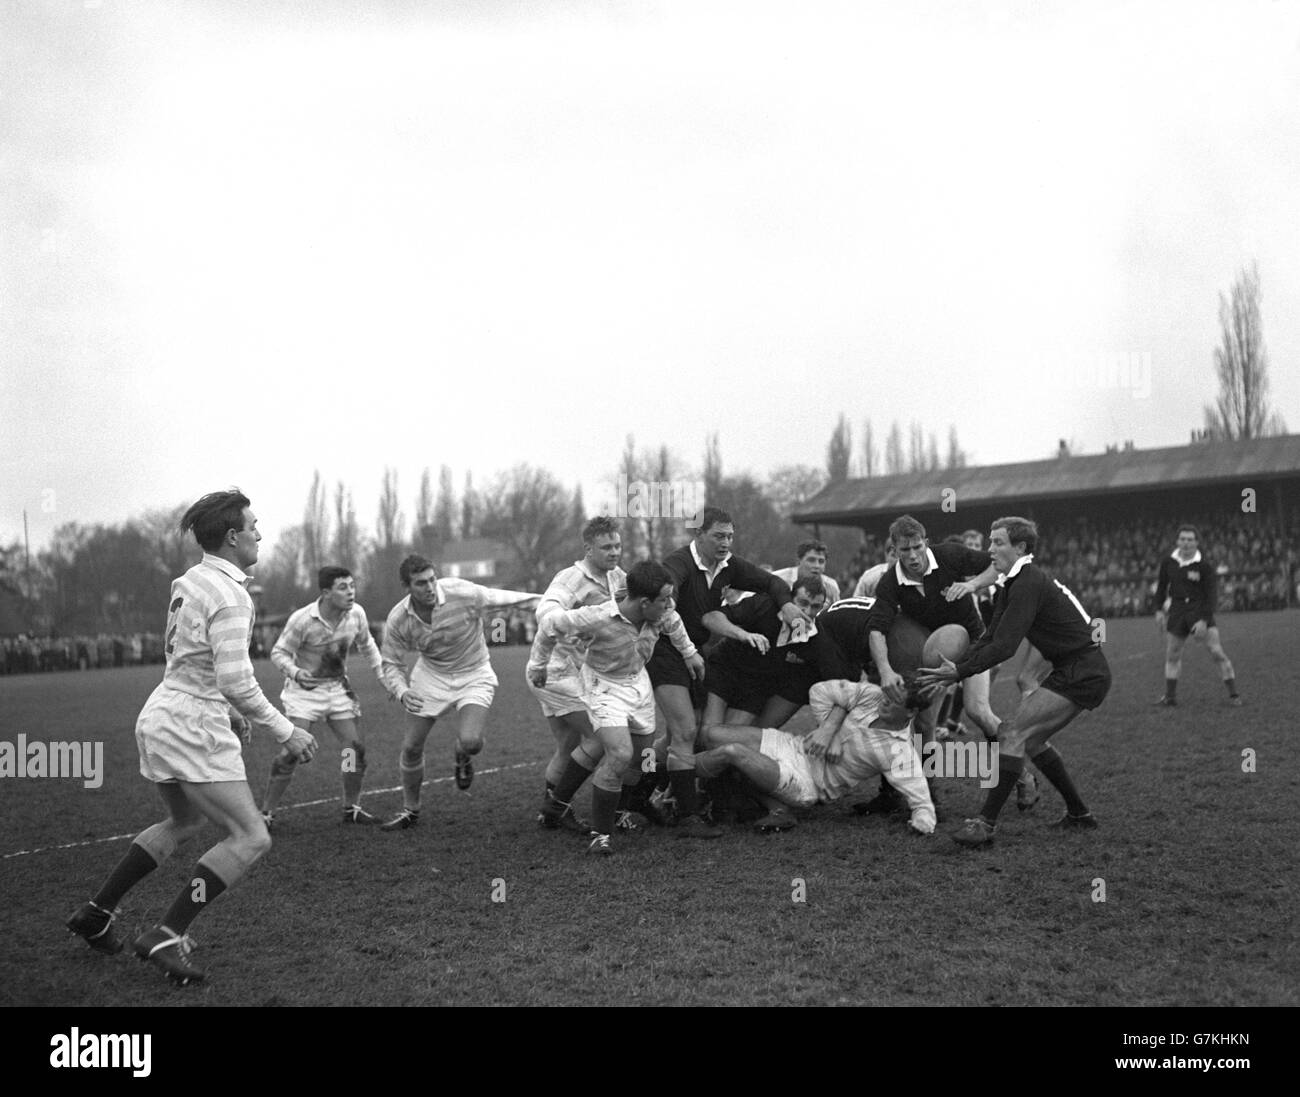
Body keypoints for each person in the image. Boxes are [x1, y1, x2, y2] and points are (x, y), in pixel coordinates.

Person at [65, 490, 316, 985]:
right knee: (251, 836)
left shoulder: (191, 580)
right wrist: (286, 731)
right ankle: (167, 932)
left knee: (183, 819)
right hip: (190, 725)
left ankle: (97, 911)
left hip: (162, 713)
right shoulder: (231, 593)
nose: (260, 534)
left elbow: (196, 662)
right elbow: (236, 680)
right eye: (254, 525)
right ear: (232, 536)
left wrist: (228, 711)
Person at [918, 516, 1110, 847]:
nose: (990, 549)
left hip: (1084, 671)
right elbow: (991, 636)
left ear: (1020, 547)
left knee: (1012, 732)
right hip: (1073, 669)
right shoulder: (1013, 582)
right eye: (990, 542)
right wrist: (959, 666)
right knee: (1030, 741)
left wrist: (959, 671)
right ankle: (1080, 814)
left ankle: (985, 824)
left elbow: (1005, 647)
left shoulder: (1027, 583)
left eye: (998, 542)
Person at [527, 561, 705, 855]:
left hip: (638, 684)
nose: (669, 605)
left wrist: (690, 654)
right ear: (645, 603)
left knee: (641, 758)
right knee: (619, 754)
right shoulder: (595, 617)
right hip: (602, 686)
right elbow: (549, 626)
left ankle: (563, 803)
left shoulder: (660, 614)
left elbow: (675, 624)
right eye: (664, 599)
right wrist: (538, 665)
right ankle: (601, 834)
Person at [648, 507, 806, 836]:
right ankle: (684, 813)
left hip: (696, 655)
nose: (726, 543)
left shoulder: (728, 566)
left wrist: (788, 605)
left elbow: (772, 581)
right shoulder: (679, 564)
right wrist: (738, 633)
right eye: (719, 536)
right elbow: (668, 590)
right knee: (688, 732)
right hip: (667, 651)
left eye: (730, 536)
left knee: (685, 735)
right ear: (698, 535)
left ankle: (647, 794)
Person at [378, 555, 539, 831]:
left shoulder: (462, 593)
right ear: (407, 587)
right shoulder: (398, 619)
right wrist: (402, 691)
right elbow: (391, 664)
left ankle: (462, 754)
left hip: (474, 671)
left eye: (432, 579)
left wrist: (551, 601)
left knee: (472, 741)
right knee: (411, 746)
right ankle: (410, 809)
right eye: (420, 583)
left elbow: (509, 599)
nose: (429, 587)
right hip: (431, 675)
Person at [695, 677, 935, 835]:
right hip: (795, 747)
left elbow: (923, 803)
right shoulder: (871, 694)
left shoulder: (899, 751)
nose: (885, 700)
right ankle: (749, 801)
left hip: (807, 782)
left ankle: (676, 780)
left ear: (911, 711)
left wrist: (921, 824)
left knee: (733, 753)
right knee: (712, 734)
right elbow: (819, 691)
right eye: (888, 693)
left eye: (895, 701)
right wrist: (828, 733)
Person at [259, 565, 387, 828]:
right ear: (326, 593)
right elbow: (278, 653)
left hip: (338, 689)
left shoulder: (357, 614)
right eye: (343, 587)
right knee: (291, 753)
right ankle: (266, 814)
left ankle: (351, 807)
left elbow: (368, 645)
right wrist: (295, 672)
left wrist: (384, 676)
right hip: (304, 694)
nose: (350, 592)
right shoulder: (302, 619)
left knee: (353, 750)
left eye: (352, 586)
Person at [530, 516, 626, 832]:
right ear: (588, 548)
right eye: (606, 547)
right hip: (554, 672)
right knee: (604, 736)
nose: (614, 552)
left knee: (568, 745)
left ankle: (550, 811)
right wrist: (561, 619)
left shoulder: (617, 578)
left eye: (617, 545)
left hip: (577, 671)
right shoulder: (570, 579)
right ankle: (560, 805)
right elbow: (546, 612)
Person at [1152, 524, 1241, 707]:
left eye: (1190, 539)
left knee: (1216, 652)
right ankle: (1170, 697)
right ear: (1177, 541)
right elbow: (1161, 588)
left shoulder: (1204, 566)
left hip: (1199, 610)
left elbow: (1211, 596)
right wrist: (1159, 610)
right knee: (1172, 655)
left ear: (1197, 542)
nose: (1186, 543)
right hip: (1177, 611)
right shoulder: (1168, 562)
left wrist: (1203, 620)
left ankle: (1234, 695)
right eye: (1183, 539)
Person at [770, 539, 842, 605]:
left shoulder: (831, 585)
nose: (817, 566)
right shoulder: (777, 579)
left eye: (821, 561)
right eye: (811, 560)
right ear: (798, 561)